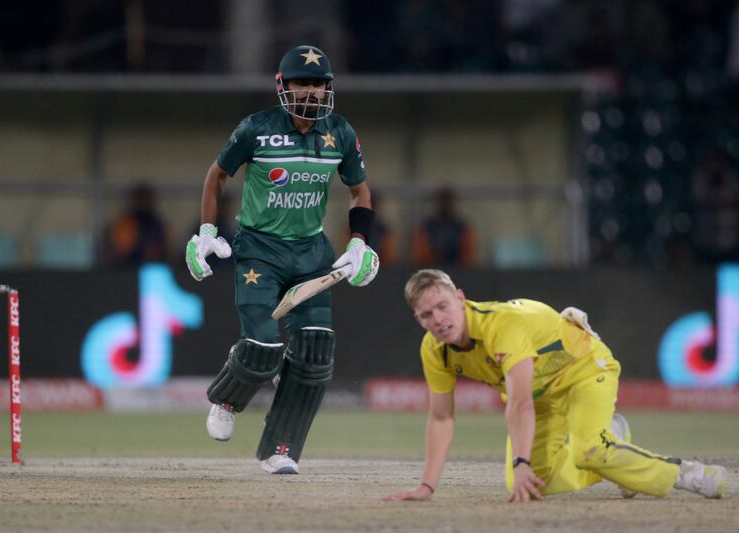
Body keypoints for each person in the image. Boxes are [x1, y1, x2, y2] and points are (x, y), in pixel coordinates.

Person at [185, 45, 379, 474]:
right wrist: (206, 233)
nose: (310, 92)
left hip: (311, 251)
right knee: (263, 346)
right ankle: (226, 399)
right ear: (283, 86)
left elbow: (359, 190)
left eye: (318, 84)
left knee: (314, 352)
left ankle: (281, 449)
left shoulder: (340, 133)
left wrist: (360, 243)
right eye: (301, 83)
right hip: (259, 250)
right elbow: (216, 176)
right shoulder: (255, 130)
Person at [383, 269, 727, 502]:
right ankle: (619, 454)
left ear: (460, 298)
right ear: (418, 319)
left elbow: (518, 405)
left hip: (584, 369)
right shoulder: (435, 350)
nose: (438, 320)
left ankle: (688, 474)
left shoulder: (501, 326)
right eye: (427, 315)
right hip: (541, 392)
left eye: (443, 306)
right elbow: (442, 418)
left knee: (589, 451)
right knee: (535, 484)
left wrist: (520, 462)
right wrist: (427, 486)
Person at [411, 187, 477, 266]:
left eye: (448, 201)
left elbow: (468, 256)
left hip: (458, 270)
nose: (445, 205)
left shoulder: (462, 227)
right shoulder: (427, 227)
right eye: (442, 201)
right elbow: (420, 255)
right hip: (432, 269)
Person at [107, 183, 168, 266]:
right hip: (127, 267)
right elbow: (120, 251)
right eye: (140, 200)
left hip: (153, 267)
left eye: (146, 200)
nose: (143, 203)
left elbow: (164, 249)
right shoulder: (126, 223)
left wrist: (153, 252)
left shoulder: (157, 224)